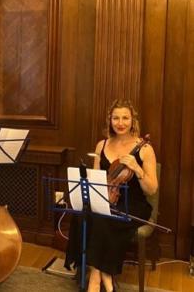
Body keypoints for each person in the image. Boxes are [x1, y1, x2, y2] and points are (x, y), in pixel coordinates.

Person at [65, 99, 158, 292]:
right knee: (83, 214)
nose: (120, 122)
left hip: (133, 203)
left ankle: (94, 280)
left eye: (125, 118)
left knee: (103, 219)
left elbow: (152, 190)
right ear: (110, 120)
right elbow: (97, 178)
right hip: (107, 195)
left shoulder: (145, 149)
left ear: (133, 120)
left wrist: (137, 170)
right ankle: (107, 278)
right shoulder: (102, 145)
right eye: (116, 118)